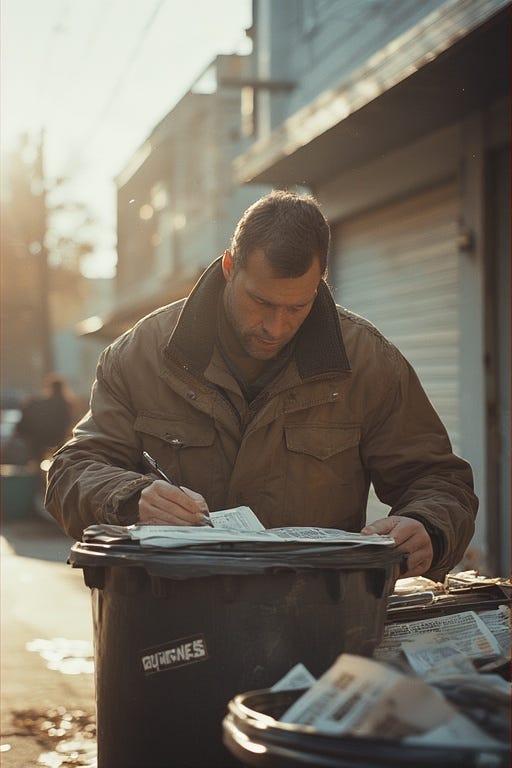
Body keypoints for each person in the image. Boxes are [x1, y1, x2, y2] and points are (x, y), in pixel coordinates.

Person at [45, 191, 477, 581]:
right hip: (169, 617)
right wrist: (131, 497)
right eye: (262, 302)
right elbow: (70, 472)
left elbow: (437, 478)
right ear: (231, 267)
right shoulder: (139, 355)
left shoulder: (369, 363)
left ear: (321, 282)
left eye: (297, 306)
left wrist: (428, 527)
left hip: (315, 620)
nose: (275, 326)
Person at [15, 374, 75, 466]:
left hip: (40, 446)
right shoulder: (66, 406)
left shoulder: (39, 404)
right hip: (57, 445)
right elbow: (66, 428)